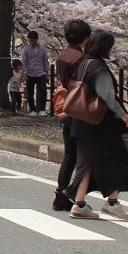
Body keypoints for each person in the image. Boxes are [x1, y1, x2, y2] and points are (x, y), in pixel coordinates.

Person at [69, 30, 128, 220]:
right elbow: (107, 96)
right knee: (120, 160)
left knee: (87, 164)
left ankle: (79, 204)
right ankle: (112, 202)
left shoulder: (82, 63)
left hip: (80, 121)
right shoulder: (98, 67)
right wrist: (123, 115)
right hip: (98, 125)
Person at [51, 18, 92, 211]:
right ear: (85, 37)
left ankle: (60, 194)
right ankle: (74, 195)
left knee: (70, 155)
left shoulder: (63, 56)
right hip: (80, 109)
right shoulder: (80, 59)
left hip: (66, 108)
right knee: (84, 156)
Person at [20, 29, 49, 116]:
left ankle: (42, 110)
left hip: (40, 72)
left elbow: (45, 61)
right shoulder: (26, 49)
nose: (32, 41)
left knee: (43, 90)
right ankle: (32, 109)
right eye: (30, 40)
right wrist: (24, 73)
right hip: (30, 73)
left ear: (37, 39)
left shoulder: (43, 49)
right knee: (30, 92)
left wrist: (46, 72)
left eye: (33, 40)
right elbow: (24, 61)